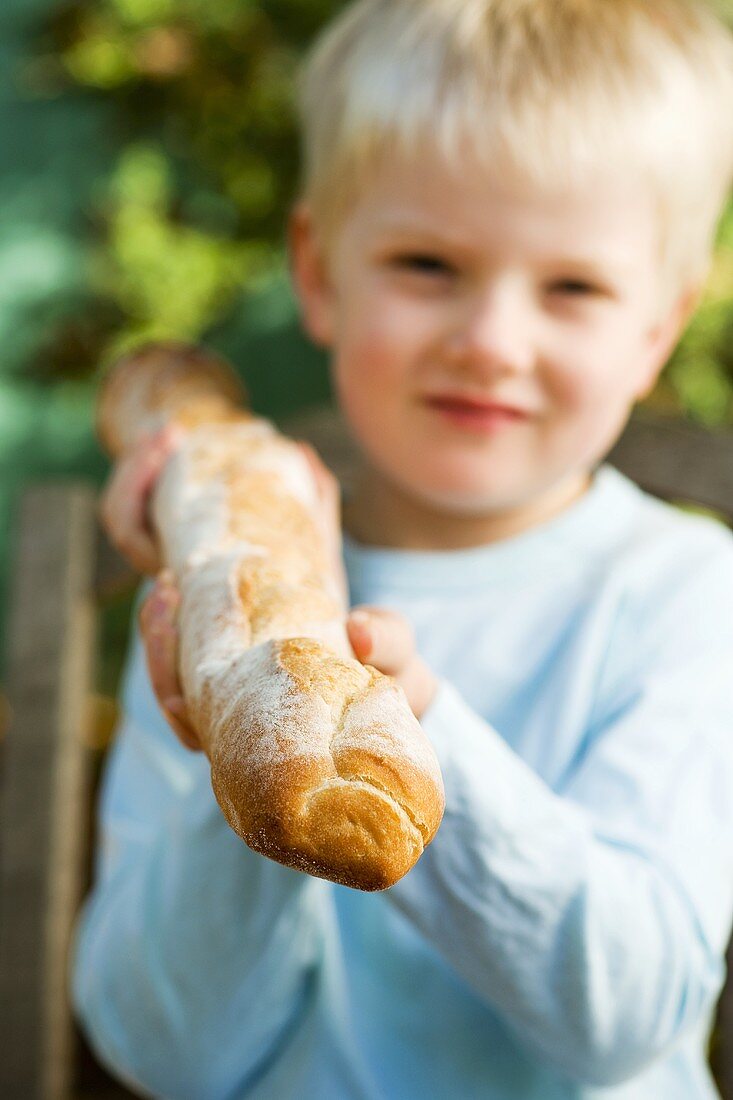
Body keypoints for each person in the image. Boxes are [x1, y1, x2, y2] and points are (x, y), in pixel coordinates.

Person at [71, 1, 733, 1097]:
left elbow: (628, 1012)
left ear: (658, 325)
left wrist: (406, 738)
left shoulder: (687, 592)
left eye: (572, 286)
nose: (491, 341)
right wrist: (247, 757)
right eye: (428, 263)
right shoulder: (212, 596)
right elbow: (159, 1050)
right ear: (319, 271)